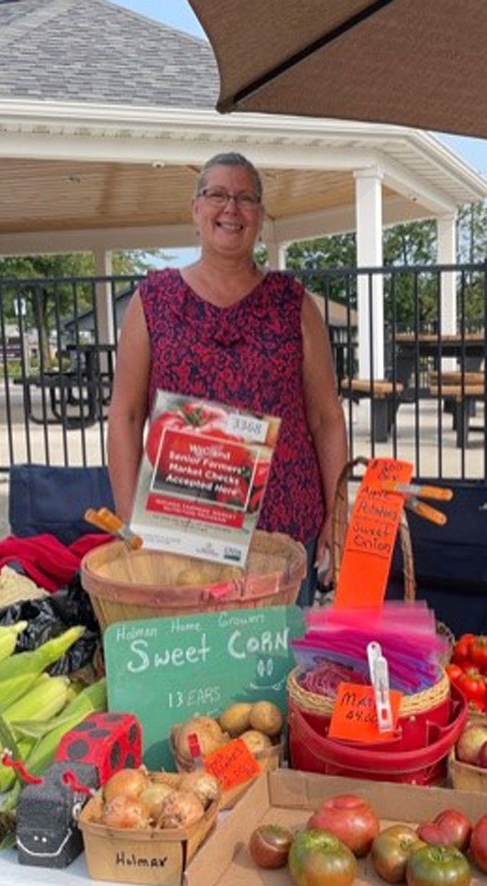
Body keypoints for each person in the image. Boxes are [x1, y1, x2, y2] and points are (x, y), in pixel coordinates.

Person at [107, 152, 347, 606]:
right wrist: (128, 518)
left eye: (246, 198)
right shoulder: (152, 300)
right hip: (181, 529)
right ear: (195, 210)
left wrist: (338, 515)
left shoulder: (293, 304)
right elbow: (125, 413)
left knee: (277, 667)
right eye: (216, 194)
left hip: (284, 530)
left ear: (260, 217)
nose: (231, 208)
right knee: (198, 666)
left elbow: (325, 417)